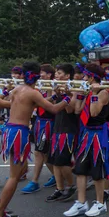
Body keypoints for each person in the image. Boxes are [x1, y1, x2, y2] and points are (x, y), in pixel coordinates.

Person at [0, 61, 69, 217]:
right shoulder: (32, 92)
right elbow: (53, 109)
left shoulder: (18, 90)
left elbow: (34, 103)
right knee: (15, 175)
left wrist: (55, 96)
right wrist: (70, 97)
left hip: (10, 130)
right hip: (19, 132)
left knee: (17, 172)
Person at [63, 63, 109, 217]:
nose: (83, 78)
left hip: (99, 135)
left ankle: (100, 203)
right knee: (80, 169)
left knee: (97, 171)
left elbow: (93, 113)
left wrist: (92, 94)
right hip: (86, 134)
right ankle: (81, 203)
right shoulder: (88, 91)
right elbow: (78, 110)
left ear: (92, 77)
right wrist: (79, 94)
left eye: (86, 76)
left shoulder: (103, 93)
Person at [46, 64, 79, 203]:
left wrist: (65, 94)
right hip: (57, 128)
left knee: (63, 161)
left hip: (69, 129)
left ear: (67, 76)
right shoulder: (57, 88)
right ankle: (59, 189)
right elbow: (46, 104)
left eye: (59, 73)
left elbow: (71, 109)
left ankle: (71, 186)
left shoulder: (75, 88)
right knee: (54, 161)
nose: (56, 75)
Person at [21, 64, 57, 193]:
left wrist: (48, 94)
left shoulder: (52, 85)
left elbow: (51, 104)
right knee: (43, 153)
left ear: (49, 74)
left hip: (48, 122)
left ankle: (35, 181)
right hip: (39, 121)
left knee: (39, 152)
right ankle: (57, 177)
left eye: (43, 73)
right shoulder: (39, 85)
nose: (40, 75)